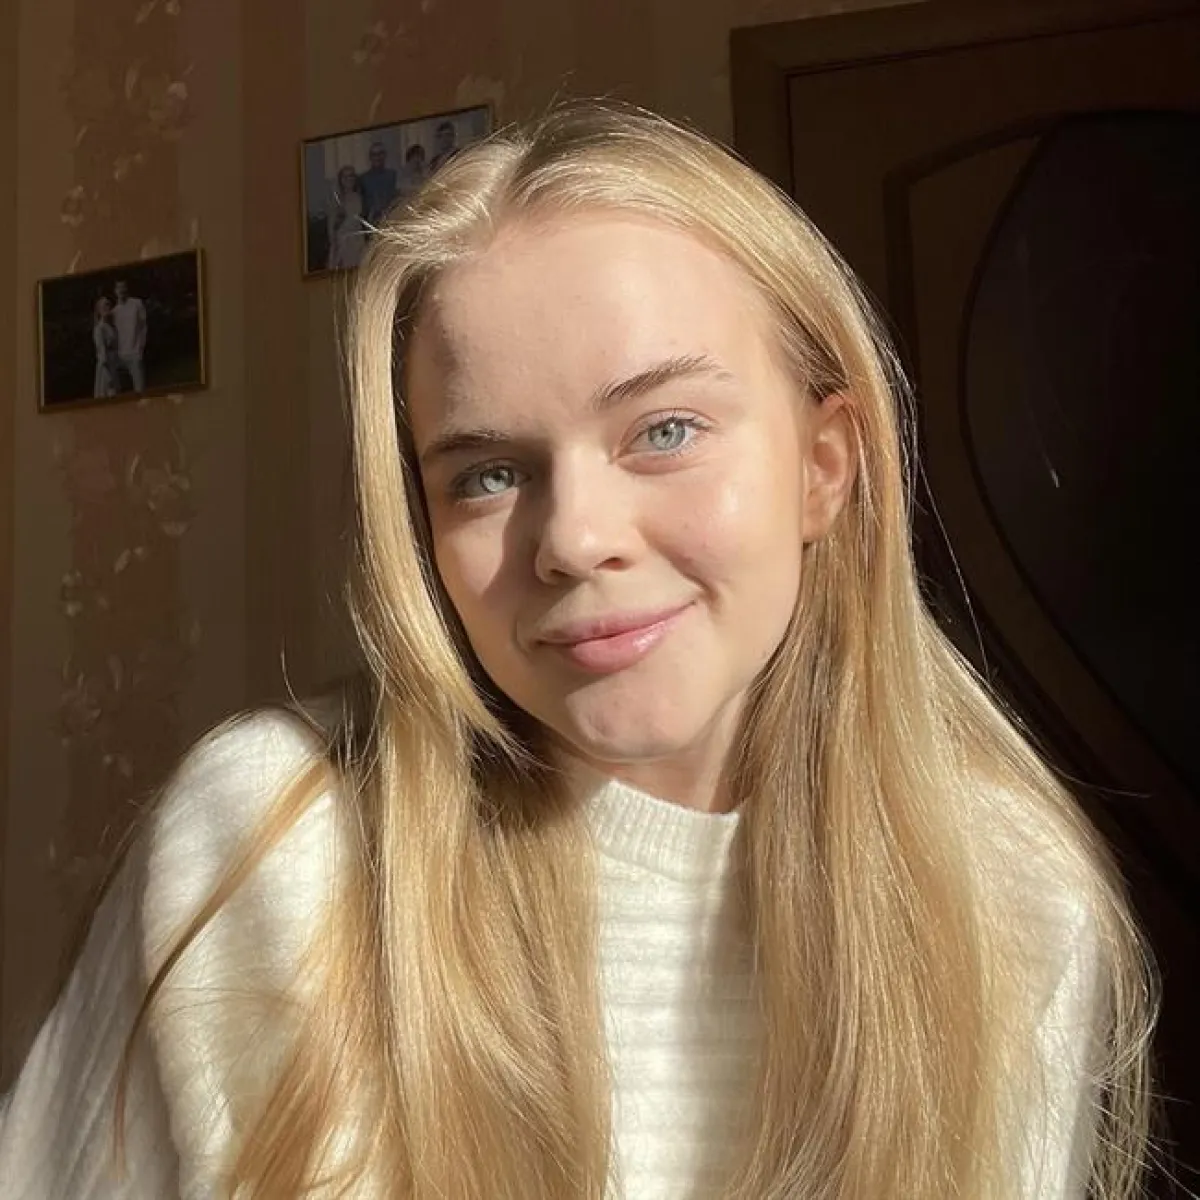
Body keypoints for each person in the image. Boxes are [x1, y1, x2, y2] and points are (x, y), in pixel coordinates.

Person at [0, 102, 1157, 1198]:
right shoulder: (280, 845)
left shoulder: (1002, 889)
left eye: (665, 430)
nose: (572, 540)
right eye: (488, 474)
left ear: (823, 466)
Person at [327, 165, 367, 271]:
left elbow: (360, 218)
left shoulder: (358, 197)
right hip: (343, 240)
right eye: (345, 176)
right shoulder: (337, 198)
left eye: (351, 176)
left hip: (357, 239)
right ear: (341, 179)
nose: (349, 179)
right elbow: (332, 225)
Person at [112, 279, 147, 393]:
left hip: (135, 352)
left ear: (127, 288)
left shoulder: (137, 304)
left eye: (123, 287)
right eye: (118, 287)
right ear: (115, 291)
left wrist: (141, 347)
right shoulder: (114, 312)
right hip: (120, 355)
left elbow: (143, 327)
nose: (121, 290)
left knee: (139, 389)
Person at [359, 140, 398, 223]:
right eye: (374, 154)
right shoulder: (363, 178)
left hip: (391, 218)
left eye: (380, 153)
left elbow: (397, 197)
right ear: (370, 157)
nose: (377, 157)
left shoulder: (393, 175)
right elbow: (362, 205)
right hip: (371, 220)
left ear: (385, 155)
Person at [91, 295, 121, 398]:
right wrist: (108, 376)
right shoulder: (99, 329)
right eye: (105, 305)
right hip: (106, 367)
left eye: (109, 305)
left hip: (114, 363)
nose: (108, 307)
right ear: (100, 310)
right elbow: (101, 352)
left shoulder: (112, 327)